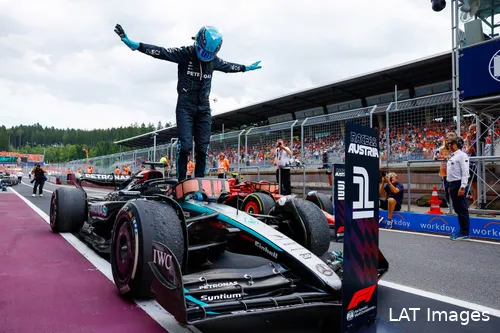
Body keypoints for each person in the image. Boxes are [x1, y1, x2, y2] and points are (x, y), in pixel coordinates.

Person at [114, 24, 262, 181]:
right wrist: (137, 46)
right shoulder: (185, 53)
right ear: (197, 42)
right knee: (185, 146)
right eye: (202, 51)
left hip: (204, 108)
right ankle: (181, 181)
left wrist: (246, 68)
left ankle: (199, 182)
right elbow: (161, 52)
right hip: (185, 106)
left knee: (202, 149)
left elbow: (229, 67)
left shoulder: (214, 61)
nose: (205, 56)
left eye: (208, 54)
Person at [446, 136, 471, 240]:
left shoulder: (462, 155)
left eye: (451, 143)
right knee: (458, 208)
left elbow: (465, 172)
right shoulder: (453, 156)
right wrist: (449, 185)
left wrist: (463, 186)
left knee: (462, 209)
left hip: (458, 183)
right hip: (452, 184)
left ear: (457, 144)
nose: (449, 145)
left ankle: (464, 232)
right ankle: (462, 230)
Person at [434, 132, 457, 210]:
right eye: (448, 139)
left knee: (454, 189)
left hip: (455, 172)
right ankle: (449, 205)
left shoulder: (456, 149)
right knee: (447, 189)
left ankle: (455, 204)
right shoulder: (441, 149)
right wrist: (438, 157)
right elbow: (435, 156)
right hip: (445, 172)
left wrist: (445, 157)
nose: (449, 142)